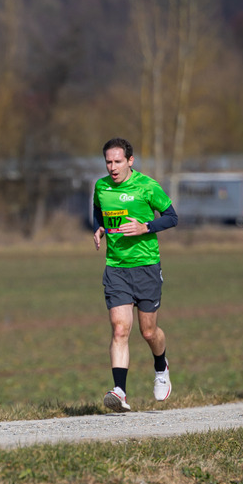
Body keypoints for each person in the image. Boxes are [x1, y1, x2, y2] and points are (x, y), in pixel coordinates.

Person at [93, 137, 178, 412]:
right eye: (108, 161)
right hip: (116, 267)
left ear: (130, 161)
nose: (112, 167)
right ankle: (119, 392)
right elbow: (99, 211)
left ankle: (160, 366)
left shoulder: (147, 186)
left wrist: (146, 227)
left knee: (148, 331)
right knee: (120, 328)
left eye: (118, 161)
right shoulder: (101, 187)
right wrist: (99, 228)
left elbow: (172, 217)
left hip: (146, 266)